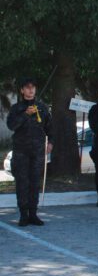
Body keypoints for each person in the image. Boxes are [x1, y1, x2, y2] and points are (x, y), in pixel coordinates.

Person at [6, 77, 53, 227]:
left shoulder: (42, 107)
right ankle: (23, 215)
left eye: (33, 87)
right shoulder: (16, 108)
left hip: (38, 151)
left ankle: (33, 214)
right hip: (21, 152)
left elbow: (50, 127)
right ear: (22, 90)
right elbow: (12, 126)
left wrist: (51, 142)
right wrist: (25, 114)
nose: (31, 90)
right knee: (22, 183)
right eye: (27, 87)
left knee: (34, 183)